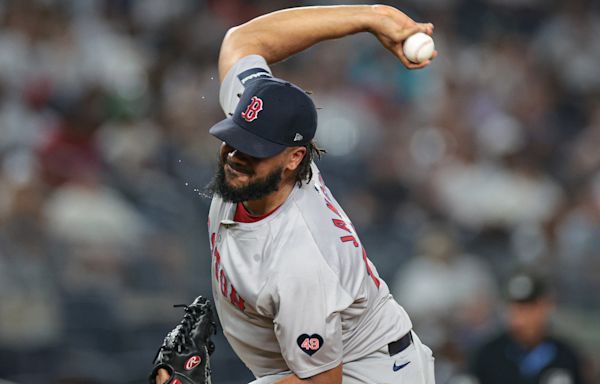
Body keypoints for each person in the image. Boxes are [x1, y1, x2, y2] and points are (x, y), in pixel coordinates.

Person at [156, 4, 437, 384]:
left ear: (293, 158)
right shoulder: (265, 133)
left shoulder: (301, 261)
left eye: (253, 150)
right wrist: (369, 18)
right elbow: (244, 40)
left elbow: (323, 382)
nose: (236, 157)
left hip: (371, 374)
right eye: (233, 140)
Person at [470, 271, 585, 384]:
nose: (520, 318)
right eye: (514, 309)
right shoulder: (488, 355)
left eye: (528, 309)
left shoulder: (565, 356)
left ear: (545, 307)